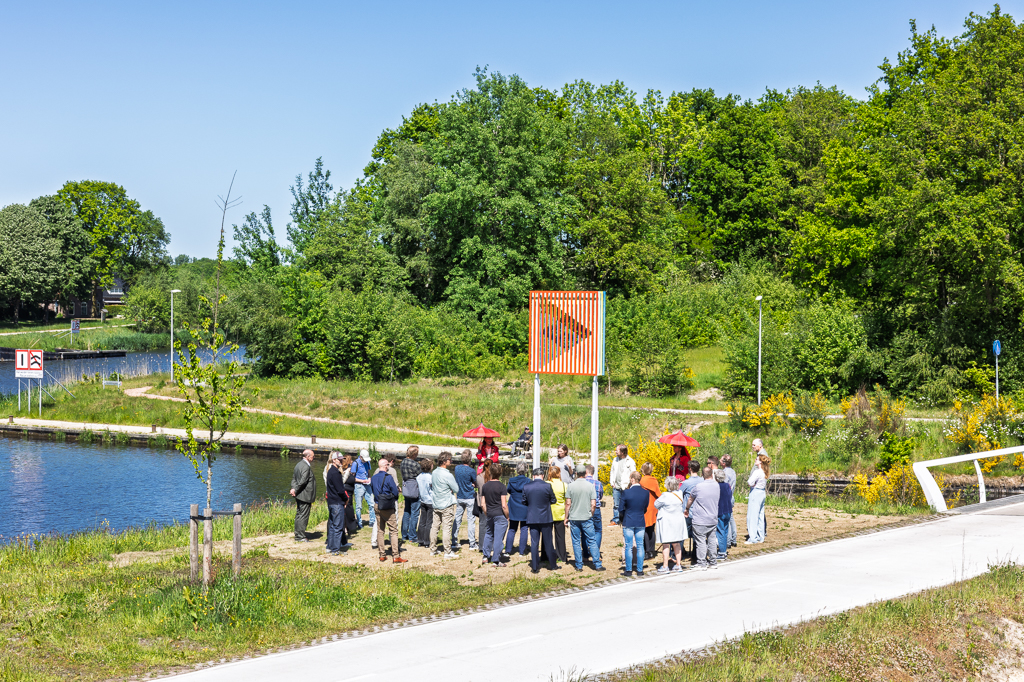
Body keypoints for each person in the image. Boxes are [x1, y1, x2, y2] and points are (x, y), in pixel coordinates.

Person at [565, 463, 605, 572]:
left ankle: (579, 565)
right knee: (592, 540)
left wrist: (566, 517)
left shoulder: (571, 485)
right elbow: (593, 504)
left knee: (576, 541)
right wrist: (590, 514)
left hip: (574, 517)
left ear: (576, 473)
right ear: (585, 473)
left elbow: (568, 503)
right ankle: (597, 564)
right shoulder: (590, 486)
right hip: (586, 517)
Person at [684, 466, 721, 570]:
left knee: (700, 542)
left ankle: (701, 563)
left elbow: (691, 498)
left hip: (700, 519)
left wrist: (687, 508)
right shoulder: (716, 485)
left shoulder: (699, 486)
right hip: (712, 517)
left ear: (702, 475)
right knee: (711, 540)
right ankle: (713, 562)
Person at [371, 458, 406, 563]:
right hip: (387, 506)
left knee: (380, 530)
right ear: (385, 466)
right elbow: (395, 492)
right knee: (393, 530)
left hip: (377, 504)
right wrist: (393, 498)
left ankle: (382, 554)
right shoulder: (388, 477)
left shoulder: (373, 478)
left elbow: (372, 489)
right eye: (388, 465)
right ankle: (395, 555)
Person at [523, 467, 558, 573]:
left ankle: (534, 567)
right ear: (542, 475)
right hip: (546, 517)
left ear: (533, 476)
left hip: (532, 517)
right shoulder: (547, 486)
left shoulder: (527, 486)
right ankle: (552, 565)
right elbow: (553, 499)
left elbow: (524, 501)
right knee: (548, 542)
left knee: (534, 543)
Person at [617, 471, 649, 576]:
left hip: (629, 520)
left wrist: (623, 516)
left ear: (632, 479)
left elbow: (620, 508)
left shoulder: (626, 493)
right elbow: (645, 508)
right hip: (640, 520)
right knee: (640, 545)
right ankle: (640, 570)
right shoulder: (645, 492)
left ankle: (629, 569)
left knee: (628, 546)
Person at [654, 477, 687, 573]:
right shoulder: (680, 494)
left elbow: (656, 504)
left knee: (666, 544)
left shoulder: (665, 496)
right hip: (678, 521)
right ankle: (678, 564)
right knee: (677, 544)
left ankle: (665, 566)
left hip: (667, 522)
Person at [430, 452, 459, 558]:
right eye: (449, 459)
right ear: (444, 461)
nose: (451, 461)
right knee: (447, 528)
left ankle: (432, 549)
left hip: (436, 503)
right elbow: (456, 489)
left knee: (435, 527)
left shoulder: (434, 472)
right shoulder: (448, 475)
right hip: (446, 504)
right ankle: (447, 551)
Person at [480, 462, 510, 567]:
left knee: (489, 534)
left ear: (491, 472)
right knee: (498, 537)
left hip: (490, 514)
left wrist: (487, 513)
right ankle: (496, 559)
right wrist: (507, 516)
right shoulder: (502, 486)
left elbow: (483, 504)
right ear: (500, 473)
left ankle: (485, 556)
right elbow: (504, 505)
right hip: (500, 515)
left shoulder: (485, 486)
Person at [451, 451, 478, 551]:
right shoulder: (471, 471)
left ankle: (454, 540)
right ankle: (472, 543)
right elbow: (475, 482)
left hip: (460, 496)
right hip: (470, 497)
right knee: (471, 520)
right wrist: (473, 485)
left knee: (457, 519)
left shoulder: (457, 468)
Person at [289, 449, 316, 542]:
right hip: (304, 496)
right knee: (303, 515)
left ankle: (298, 534)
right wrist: (295, 489)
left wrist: (293, 488)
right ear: (308, 457)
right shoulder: (305, 467)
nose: (314, 458)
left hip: (300, 495)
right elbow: (303, 481)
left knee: (299, 514)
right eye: (313, 456)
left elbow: (294, 479)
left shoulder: (298, 465)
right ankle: (300, 536)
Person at [504, 461, 531, 555]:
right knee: (524, 529)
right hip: (525, 506)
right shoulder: (528, 481)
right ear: (526, 470)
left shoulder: (511, 480)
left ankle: (507, 550)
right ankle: (522, 551)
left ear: (516, 470)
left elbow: (509, 491)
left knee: (512, 529)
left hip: (514, 506)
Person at [325, 452, 348, 554]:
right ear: (333, 460)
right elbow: (340, 490)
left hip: (331, 502)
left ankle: (330, 547)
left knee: (333, 526)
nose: (341, 461)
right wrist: (346, 499)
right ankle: (335, 549)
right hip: (337, 503)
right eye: (339, 459)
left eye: (342, 459)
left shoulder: (330, 471)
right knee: (338, 527)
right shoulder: (335, 473)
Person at [678, 460, 702, 558]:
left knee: (682, 534)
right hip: (699, 512)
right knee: (697, 535)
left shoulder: (687, 483)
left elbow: (680, 493)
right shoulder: (702, 480)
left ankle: (679, 554)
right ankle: (695, 554)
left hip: (688, 512)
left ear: (690, 469)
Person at [400, 446, 422, 543]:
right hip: (414, 490)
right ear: (414, 454)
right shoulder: (416, 465)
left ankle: (404, 534)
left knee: (406, 512)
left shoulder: (403, 462)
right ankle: (412, 536)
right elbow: (420, 476)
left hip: (406, 489)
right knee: (415, 513)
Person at [639, 463, 661, 560]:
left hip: (645, 506)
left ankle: (647, 551)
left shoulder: (641, 480)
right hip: (653, 506)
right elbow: (658, 494)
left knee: (644, 529)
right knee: (651, 529)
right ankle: (652, 551)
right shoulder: (654, 480)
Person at [746, 453, 770, 544]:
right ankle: (761, 536)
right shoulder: (765, 472)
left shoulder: (757, 471)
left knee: (752, 516)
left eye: (757, 459)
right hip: (762, 492)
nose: (755, 460)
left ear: (760, 462)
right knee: (760, 515)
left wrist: (752, 484)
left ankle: (753, 538)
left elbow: (750, 482)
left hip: (755, 493)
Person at [609, 445, 636, 526]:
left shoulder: (630, 461)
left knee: (627, 504)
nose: (615, 452)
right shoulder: (615, 460)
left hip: (625, 487)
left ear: (622, 452)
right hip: (616, 486)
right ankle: (616, 520)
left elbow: (633, 474)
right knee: (616, 504)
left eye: (617, 450)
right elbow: (612, 471)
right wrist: (612, 482)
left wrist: (630, 485)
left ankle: (626, 519)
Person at [582, 464, 604, 559]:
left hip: (584, 508)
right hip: (596, 509)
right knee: (597, 531)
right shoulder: (598, 483)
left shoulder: (582, 483)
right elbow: (601, 495)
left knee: (584, 532)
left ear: (586, 472)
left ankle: (586, 553)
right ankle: (596, 551)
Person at [352, 449, 375, 532]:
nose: (365, 461)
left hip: (367, 485)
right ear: (361, 457)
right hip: (359, 486)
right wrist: (362, 481)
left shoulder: (367, 462)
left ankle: (372, 521)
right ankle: (359, 522)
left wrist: (369, 478)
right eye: (364, 459)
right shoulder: (355, 463)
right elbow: (352, 478)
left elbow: (368, 473)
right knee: (359, 506)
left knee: (372, 503)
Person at [548, 466, 568, 563]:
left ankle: (546, 554)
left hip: (548, 512)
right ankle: (562, 556)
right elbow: (567, 500)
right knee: (560, 536)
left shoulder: (547, 484)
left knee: (547, 535)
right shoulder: (564, 485)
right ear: (559, 473)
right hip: (560, 512)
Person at [715, 469, 733, 561]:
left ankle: (722, 552)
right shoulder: (727, 485)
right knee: (725, 531)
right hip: (728, 510)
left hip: (720, 511)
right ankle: (724, 550)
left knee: (720, 531)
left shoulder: (716, 486)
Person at [416, 458, 434, 547]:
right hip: (430, 501)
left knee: (422, 520)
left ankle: (420, 540)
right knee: (429, 522)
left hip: (422, 500)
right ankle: (427, 541)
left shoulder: (419, 476)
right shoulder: (431, 477)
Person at [721, 455, 738, 548]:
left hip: (726, 498)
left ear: (723, 463)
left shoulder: (725, 473)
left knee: (726, 520)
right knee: (731, 518)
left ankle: (728, 540)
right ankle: (733, 538)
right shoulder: (733, 471)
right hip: (731, 496)